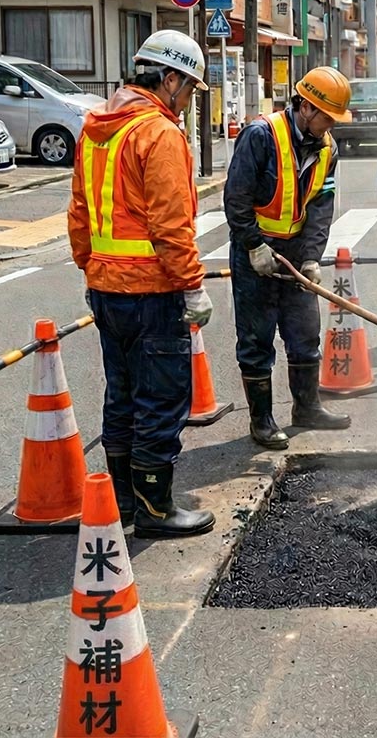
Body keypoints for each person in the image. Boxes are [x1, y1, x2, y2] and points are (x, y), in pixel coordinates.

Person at [68, 30, 215, 539]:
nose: (189, 100)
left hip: (106, 289)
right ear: (169, 79)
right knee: (160, 398)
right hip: (153, 291)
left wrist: (90, 267)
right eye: (189, 88)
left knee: (123, 396)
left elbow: (80, 212)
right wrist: (192, 285)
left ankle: (125, 503)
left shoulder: (96, 129)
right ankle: (156, 509)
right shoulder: (159, 134)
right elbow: (171, 225)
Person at [223, 67, 353, 449]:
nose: (331, 126)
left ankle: (307, 408)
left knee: (305, 333)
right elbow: (236, 198)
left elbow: (321, 206)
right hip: (255, 252)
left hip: (295, 251)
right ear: (306, 107)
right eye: (328, 117)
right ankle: (261, 421)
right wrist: (253, 245)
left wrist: (311, 257)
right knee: (256, 339)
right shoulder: (260, 136)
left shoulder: (327, 148)